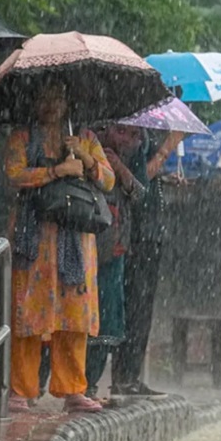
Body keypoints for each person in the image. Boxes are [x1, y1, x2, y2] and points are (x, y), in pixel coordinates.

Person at [5, 83, 114, 413]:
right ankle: (22, 390)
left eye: (57, 97)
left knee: (74, 315)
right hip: (33, 237)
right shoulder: (22, 138)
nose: (50, 104)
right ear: (34, 101)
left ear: (68, 102)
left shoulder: (86, 137)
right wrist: (56, 171)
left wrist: (83, 157)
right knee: (28, 314)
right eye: (43, 96)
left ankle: (72, 390)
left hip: (75, 240)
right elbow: (14, 175)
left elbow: (107, 181)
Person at [111, 127, 183, 398]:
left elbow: (150, 178)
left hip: (150, 234)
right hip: (136, 235)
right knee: (134, 306)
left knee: (143, 308)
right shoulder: (132, 136)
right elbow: (139, 182)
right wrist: (168, 147)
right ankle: (125, 376)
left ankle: (131, 374)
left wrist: (165, 178)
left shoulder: (143, 135)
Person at [85, 125, 147, 398]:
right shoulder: (86, 141)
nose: (129, 140)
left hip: (115, 249)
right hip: (83, 245)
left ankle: (90, 383)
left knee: (107, 321)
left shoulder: (134, 155)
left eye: (134, 136)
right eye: (122, 132)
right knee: (77, 319)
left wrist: (120, 167)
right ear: (107, 128)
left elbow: (139, 194)